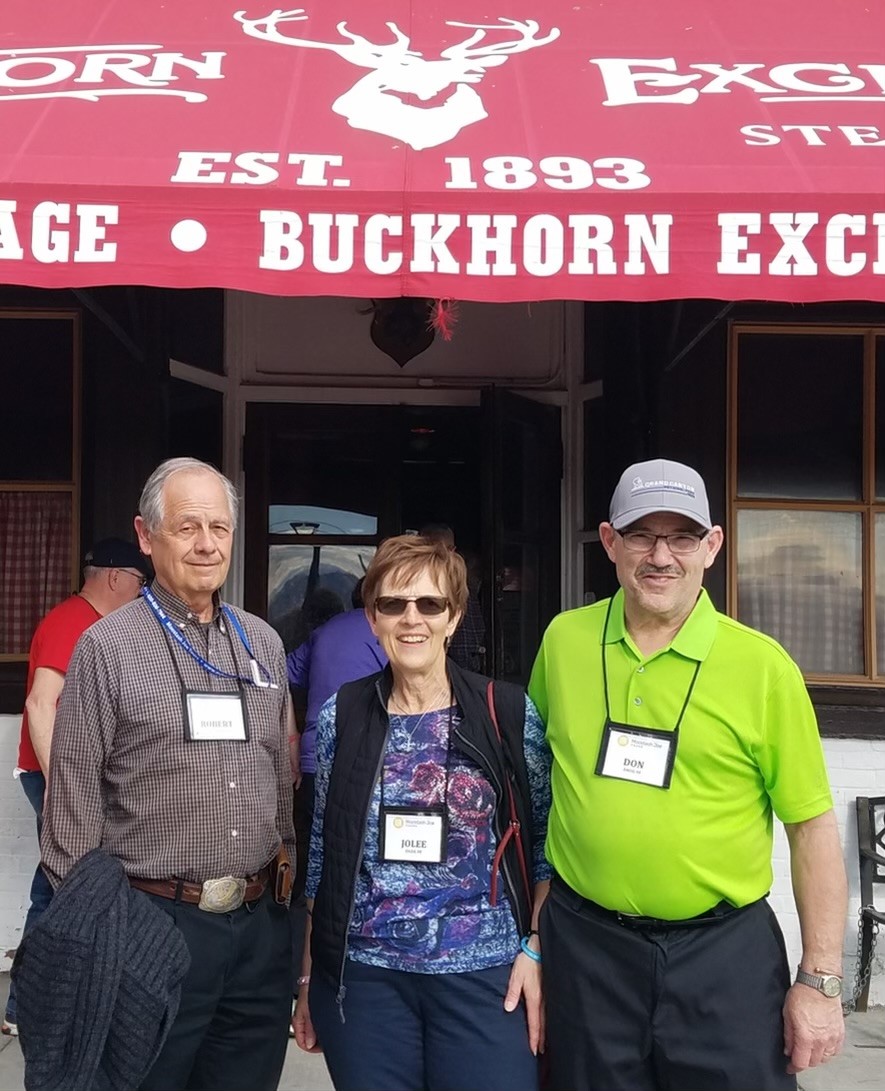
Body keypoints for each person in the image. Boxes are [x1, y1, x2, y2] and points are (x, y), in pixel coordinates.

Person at [529, 458, 848, 1091]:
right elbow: (538, 788)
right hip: (586, 950)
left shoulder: (763, 668)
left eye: (682, 537)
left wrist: (820, 980)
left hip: (722, 957)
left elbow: (811, 828)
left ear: (712, 546)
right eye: (641, 535)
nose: (660, 556)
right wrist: (533, 937)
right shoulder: (563, 642)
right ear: (610, 542)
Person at [40, 457, 296, 1091]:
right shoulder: (107, 648)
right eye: (187, 527)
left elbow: (278, 784)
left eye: (220, 527)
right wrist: (112, 937)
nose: (207, 544)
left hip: (257, 933)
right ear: (146, 536)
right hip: (152, 925)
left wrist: (283, 906)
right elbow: (71, 813)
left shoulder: (262, 644)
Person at [292, 535, 552, 1091]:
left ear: (453, 617)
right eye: (393, 604)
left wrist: (537, 947)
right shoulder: (344, 713)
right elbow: (323, 853)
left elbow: (547, 845)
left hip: (486, 978)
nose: (412, 619)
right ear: (373, 617)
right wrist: (310, 975)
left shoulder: (505, 710)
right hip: (366, 983)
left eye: (430, 604)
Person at [3, 537, 150, 1038]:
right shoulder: (73, 622)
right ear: (115, 577)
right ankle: (26, 1008)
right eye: (140, 582)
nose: (142, 592)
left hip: (72, 780)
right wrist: (62, 785)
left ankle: (34, 1006)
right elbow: (40, 704)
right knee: (61, 889)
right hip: (58, 780)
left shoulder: (90, 624)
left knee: (59, 886)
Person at [286, 579, 389, 990]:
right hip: (365, 763)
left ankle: (304, 972)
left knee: (314, 867)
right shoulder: (387, 632)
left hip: (314, 761)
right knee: (359, 865)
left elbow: (283, 672)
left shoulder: (324, 632)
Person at [418, 523, 486, 672]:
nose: (445, 556)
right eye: (438, 550)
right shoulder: (412, 583)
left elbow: (470, 634)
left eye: (450, 549)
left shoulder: (461, 582)